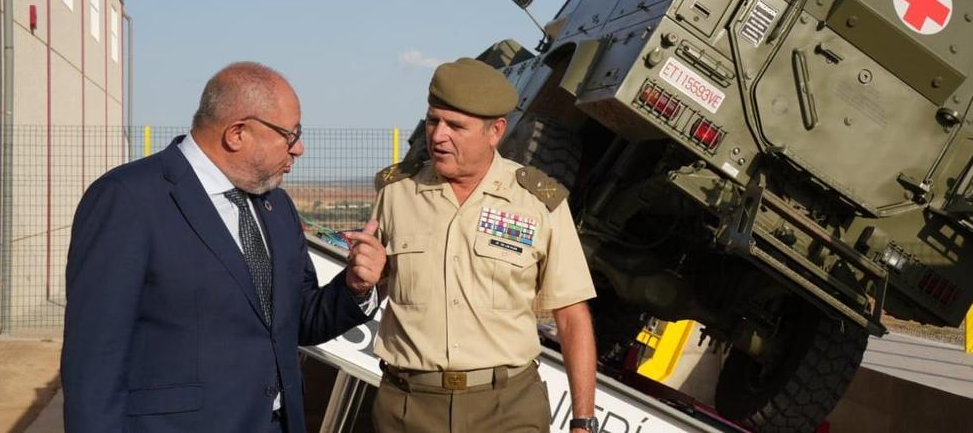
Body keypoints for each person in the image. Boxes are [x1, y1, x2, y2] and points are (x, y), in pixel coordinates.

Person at [61, 62, 384, 433]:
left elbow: (298, 321)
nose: (299, 148)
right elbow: (94, 363)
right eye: (290, 134)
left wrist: (355, 288)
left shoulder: (276, 207)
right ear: (237, 133)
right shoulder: (129, 199)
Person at [358, 57, 600, 433]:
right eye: (434, 120)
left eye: (456, 126)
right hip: (408, 408)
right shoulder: (395, 194)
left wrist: (583, 420)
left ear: (495, 131)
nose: (438, 136)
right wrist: (361, 282)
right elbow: (370, 289)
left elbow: (571, 316)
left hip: (507, 409)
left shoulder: (537, 203)